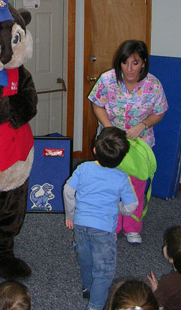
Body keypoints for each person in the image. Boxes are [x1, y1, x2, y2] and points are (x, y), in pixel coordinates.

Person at [88, 40, 168, 245]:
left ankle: (132, 227)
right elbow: (97, 105)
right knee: (110, 186)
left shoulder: (153, 85)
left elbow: (159, 112)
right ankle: (111, 225)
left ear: (143, 63)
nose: (129, 69)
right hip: (111, 144)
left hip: (139, 145)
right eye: (125, 63)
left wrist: (142, 125)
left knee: (135, 188)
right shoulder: (107, 79)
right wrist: (108, 128)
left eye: (135, 63)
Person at [63, 127, 138, 310]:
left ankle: (88, 287)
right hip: (104, 231)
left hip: (81, 224)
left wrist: (70, 215)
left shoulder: (83, 168)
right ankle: (95, 306)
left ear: (95, 150)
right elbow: (131, 206)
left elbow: (68, 191)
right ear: (123, 157)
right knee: (104, 269)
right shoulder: (122, 178)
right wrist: (119, 209)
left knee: (86, 258)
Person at [147, 225, 181, 310]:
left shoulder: (169, 282)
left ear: (171, 259)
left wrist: (156, 291)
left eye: (166, 245)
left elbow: (157, 304)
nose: (164, 247)